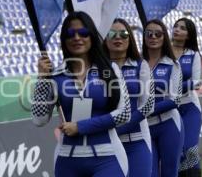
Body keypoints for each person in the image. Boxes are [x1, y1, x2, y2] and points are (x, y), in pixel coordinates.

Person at [31, 11, 131, 177]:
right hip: (67, 160)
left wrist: (80, 127)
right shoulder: (56, 75)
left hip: (107, 158)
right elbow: (39, 119)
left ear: (91, 36)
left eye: (83, 33)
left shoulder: (110, 70)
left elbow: (124, 114)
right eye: (71, 33)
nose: (77, 37)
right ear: (64, 39)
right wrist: (42, 79)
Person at [103, 18, 155, 177]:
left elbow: (148, 106)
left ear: (130, 38)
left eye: (123, 34)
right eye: (112, 33)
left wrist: (118, 128)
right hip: (106, 145)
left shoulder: (141, 65)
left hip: (136, 141)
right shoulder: (96, 69)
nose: (118, 37)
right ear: (105, 39)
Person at [142, 19, 184, 177]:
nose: (153, 37)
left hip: (169, 126)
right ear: (144, 37)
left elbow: (175, 100)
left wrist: (143, 111)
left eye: (157, 34)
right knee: (149, 173)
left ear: (163, 37)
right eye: (149, 33)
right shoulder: (136, 64)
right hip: (144, 128)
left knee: (169, 173)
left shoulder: (173, 65)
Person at [172, 18, 202, 177]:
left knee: (189, 148)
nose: (177, 29)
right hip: (169, 110)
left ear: (189, 35)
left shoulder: (193, 54)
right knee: (175, 152)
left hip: (190, 108)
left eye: (182, 28)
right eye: (176, 26)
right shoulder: (164, 53)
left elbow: (197, 82)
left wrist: (172, 89)